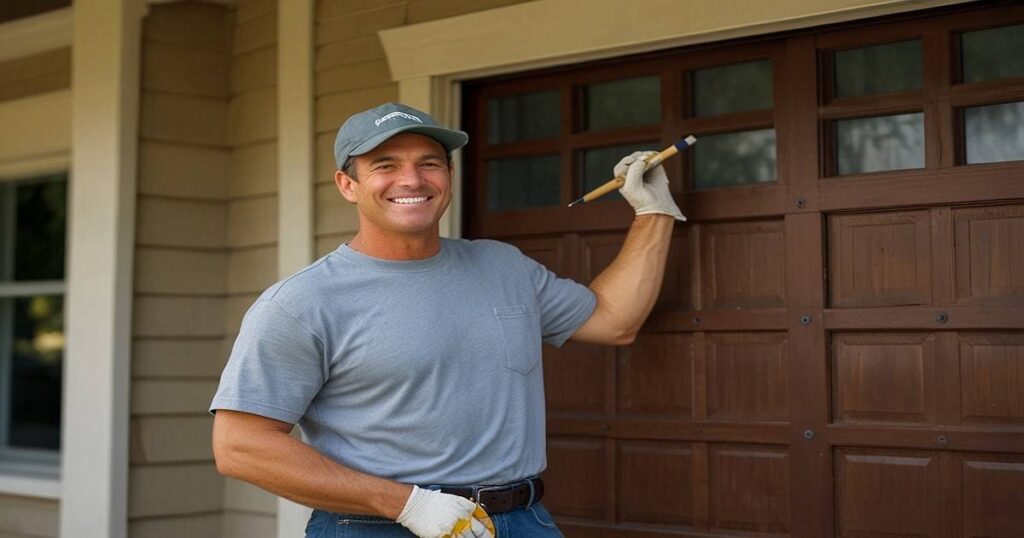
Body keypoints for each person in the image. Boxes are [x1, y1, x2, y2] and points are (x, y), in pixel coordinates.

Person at [210, 102, 685, 537]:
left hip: (522, 520)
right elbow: (240, 446)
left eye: (429, 163)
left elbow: (613, 320)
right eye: (385, 166)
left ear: (449, 176)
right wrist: (406, 504)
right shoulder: (303, 302)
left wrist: (653, 211)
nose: (412, 180)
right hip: (377, 525)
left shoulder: (503, 266)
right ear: (347, 185)